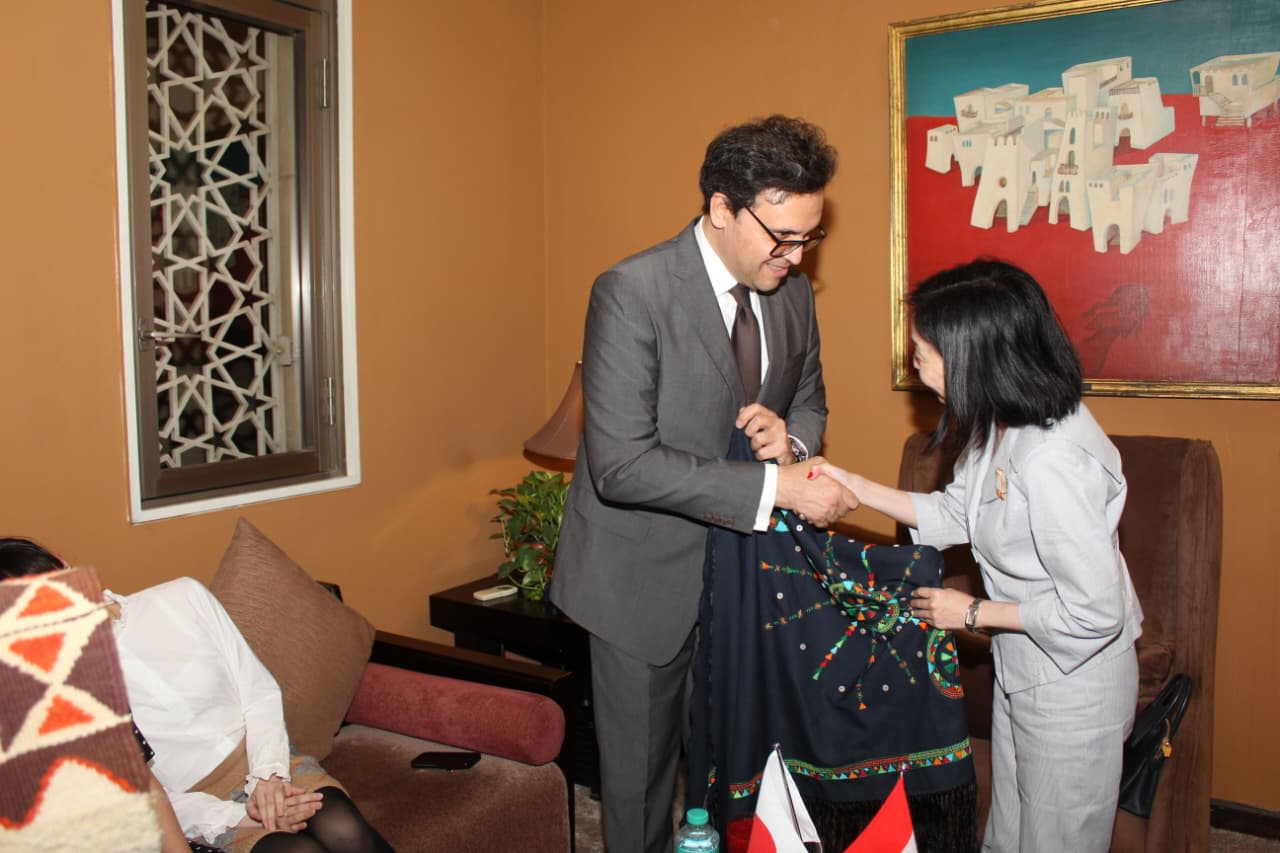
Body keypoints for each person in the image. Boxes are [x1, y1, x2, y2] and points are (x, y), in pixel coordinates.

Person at [549, 114, 858, 853]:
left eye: (810, 238)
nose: (797, 257)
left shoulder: (793, 294)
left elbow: (810, 399)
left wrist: (793, 440)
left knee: (739, 777)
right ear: (722, 208)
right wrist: (778, 488)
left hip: (743, 581)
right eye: (782, 237)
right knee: (640, 792)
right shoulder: (632, 291)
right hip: (638, 584)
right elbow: (622, 465)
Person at [813, 259, 1144, 852]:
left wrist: (969, 613)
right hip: (1027, 665)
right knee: (1009, 835)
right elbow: (954, 513)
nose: (915, 362)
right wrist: (851, 485)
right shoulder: (1001, 422)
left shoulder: (1052, 461)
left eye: (924, 351)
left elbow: (1095, 612)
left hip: (1074, 688)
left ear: (972, 355)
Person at [0, 537, 390, 853]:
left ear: (64, 565)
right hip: (195, 806)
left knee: (345, 830)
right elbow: (146, 795)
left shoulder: (182, 597)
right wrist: (245, 817)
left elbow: (258, 692)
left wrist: (268, 779)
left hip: (265, 758)